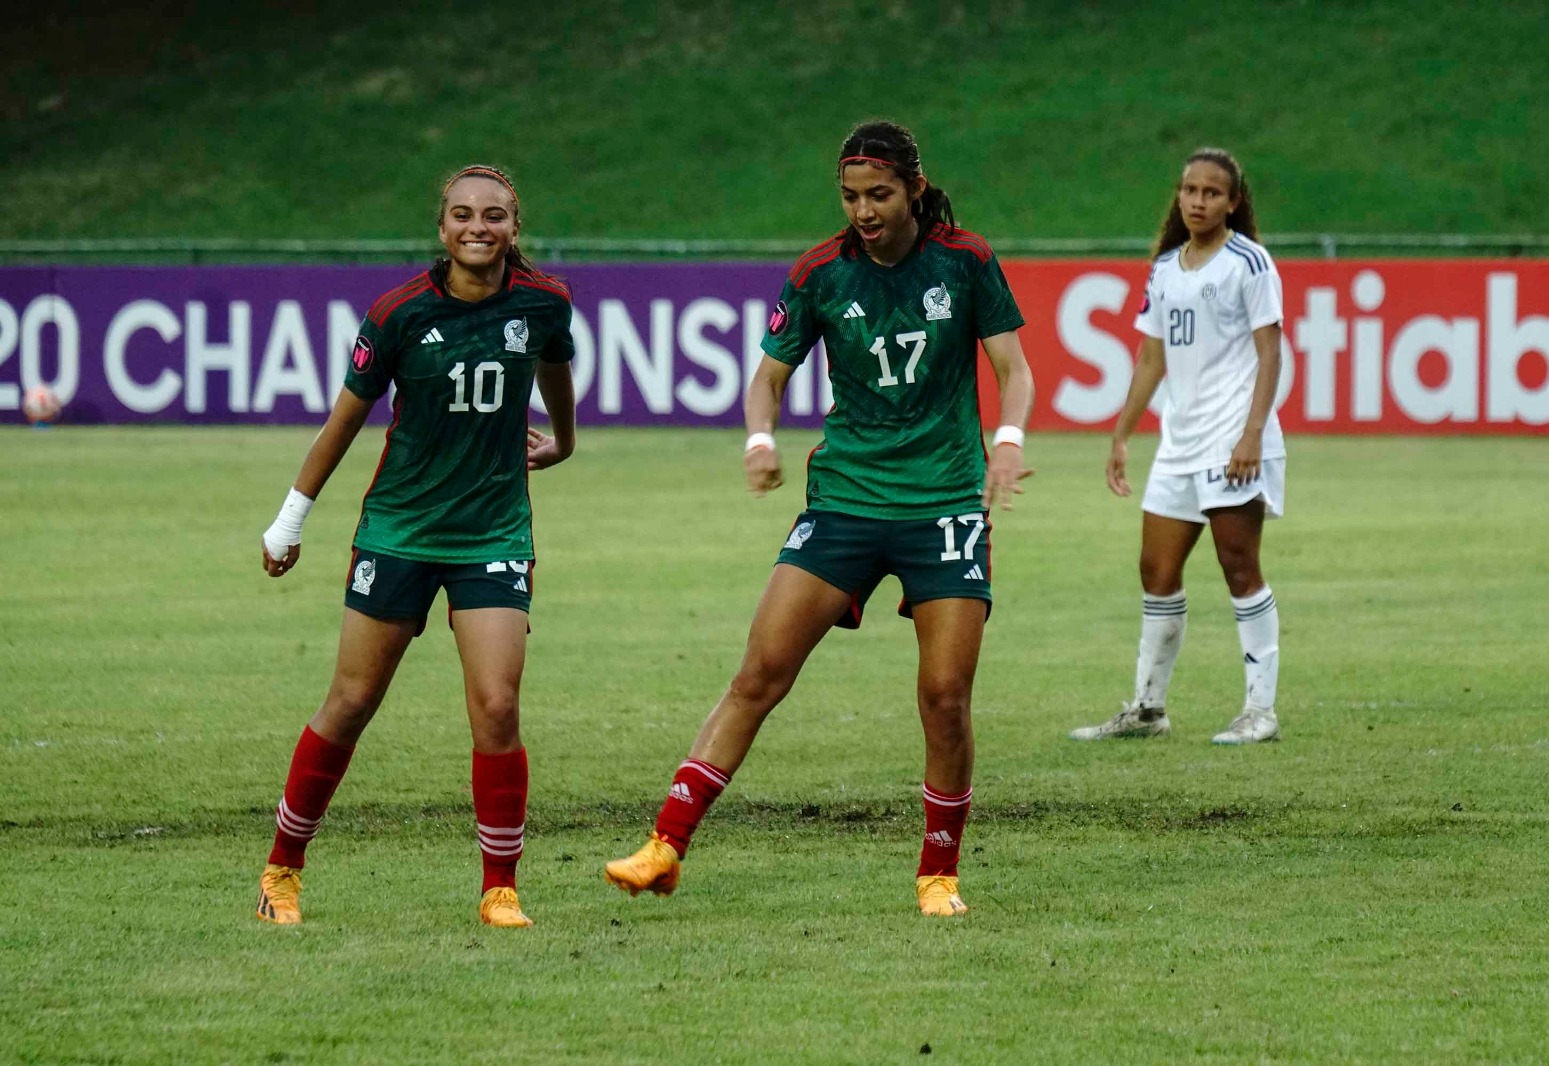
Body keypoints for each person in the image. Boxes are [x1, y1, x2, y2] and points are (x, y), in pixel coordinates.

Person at [603, 121, 1036, 917]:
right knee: (758, 675)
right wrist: (760, 439)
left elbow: (1013, 367)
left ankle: (938, 873)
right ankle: (664, 846)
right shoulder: (820, 273)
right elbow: (766, 379)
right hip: (844, 499)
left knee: (944, 695)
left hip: (943, 501)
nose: (864, 211)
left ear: (912, 188)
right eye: (850, 196)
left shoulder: (965, 261)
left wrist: (1007, 444)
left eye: (879, 194)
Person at [253, 164, 577, 928]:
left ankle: (500, 889)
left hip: (493, 531)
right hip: (399, 530)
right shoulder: (397, 314)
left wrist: (564, 441)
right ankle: (281, 872)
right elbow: (342, 425)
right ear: (441, 229)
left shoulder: (545, 301)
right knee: (352, 701)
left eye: (493, 216)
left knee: (497, 706)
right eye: (462, 215)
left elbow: (555, 367)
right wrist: (290, 519)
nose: (477, 227)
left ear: (513, 227)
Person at [1070, 147, 1285, 746]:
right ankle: (1147, 708)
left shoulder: (1249, 262)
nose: (1198, 201)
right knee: (1156, 571)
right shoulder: (1166, 267)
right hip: (1181, 442)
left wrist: (1251, 434)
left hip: (1233, 440)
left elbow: (1271, 352)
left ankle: (1259, 711)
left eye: (1212, 193)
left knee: (1239, 568)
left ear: (1233, 203)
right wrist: (1121, 432)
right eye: (1190, 190)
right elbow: (1150, 358)